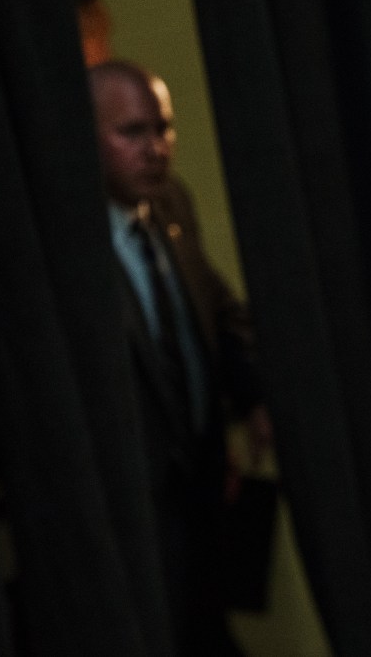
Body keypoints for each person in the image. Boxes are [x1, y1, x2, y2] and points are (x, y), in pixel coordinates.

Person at [88, 60, 272, 654]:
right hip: (129, 525)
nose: (157, 149)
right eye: (133, 132)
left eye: (163, 129)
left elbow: (216, 309)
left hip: (204, 502)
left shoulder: (171, 206)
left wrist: (253, 398)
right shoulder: (65, 245)